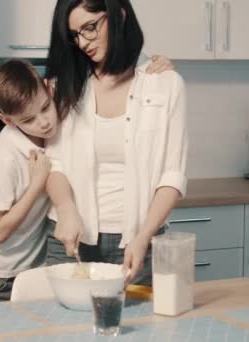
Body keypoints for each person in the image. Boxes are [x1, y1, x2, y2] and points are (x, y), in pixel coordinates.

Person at [43, 0, 188, 286]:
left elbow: (172, 176)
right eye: (74, 35)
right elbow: (54, 164)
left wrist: (144, 236)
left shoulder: (166, 84)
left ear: (118, 15)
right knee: (62, 328)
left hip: (137, 244)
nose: (83, 42)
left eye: (89, 28)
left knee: (137, 328)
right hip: (71, 239)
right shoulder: (65, 86)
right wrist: (66, 209)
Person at [0, 59, 58, 303]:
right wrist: (37, 185)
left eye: (46, 107)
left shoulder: (54, 131)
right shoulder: (3, 159)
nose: (44, 122)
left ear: (50, 88)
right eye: (28, 120)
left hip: (31, 272)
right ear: (8, 120)